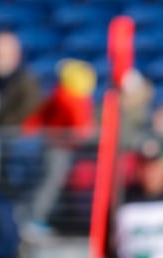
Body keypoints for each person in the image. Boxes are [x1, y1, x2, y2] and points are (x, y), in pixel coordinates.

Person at [21, 58, 97, 230]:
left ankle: (39, 217)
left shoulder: (62, 96)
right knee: (51, 182)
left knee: (54, 182)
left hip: (61, 146)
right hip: (59, 147)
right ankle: (35, 218)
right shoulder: (68, 98)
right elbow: (81, 125)